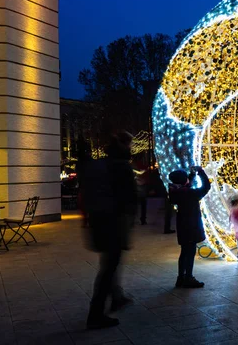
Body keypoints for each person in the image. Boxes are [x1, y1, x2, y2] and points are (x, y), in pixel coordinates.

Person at [80, 132, 136, 329]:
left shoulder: (99, 165)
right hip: (114, 223)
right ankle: (95, 314)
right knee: (108, 268)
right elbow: (131, 196)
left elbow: (86, 193)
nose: (131, 147)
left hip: (98, 222)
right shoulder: (121, 167)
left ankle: (117, 297)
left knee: (109, 264)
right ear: (123, 145)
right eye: (129, 144)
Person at [168, 166, 210, 288]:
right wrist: (201, 172)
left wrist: (191, 175)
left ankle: (181, 277)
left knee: (184, 252)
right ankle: (188, 278)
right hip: (191, 225)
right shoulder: (189, 193)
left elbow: (187, 185)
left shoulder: (176, 191)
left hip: (183, 225)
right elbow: (205, 187)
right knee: (190, 252)